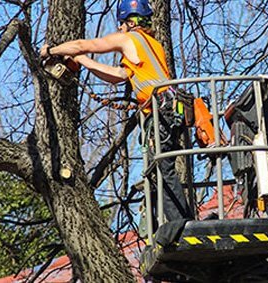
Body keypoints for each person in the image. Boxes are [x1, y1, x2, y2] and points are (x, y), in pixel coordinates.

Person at [40, 0, 191, 221]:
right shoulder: (152, 45)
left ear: (130, 21)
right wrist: (84, 62)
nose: (119, 29)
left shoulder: (129, 38)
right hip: (167, 108)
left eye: (121, 24)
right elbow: (118, 76)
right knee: (161, 168)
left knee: (163, 169)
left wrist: (51, 50)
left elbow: (85, 44)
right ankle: (177, 221)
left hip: (161, 108)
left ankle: (180, 223)